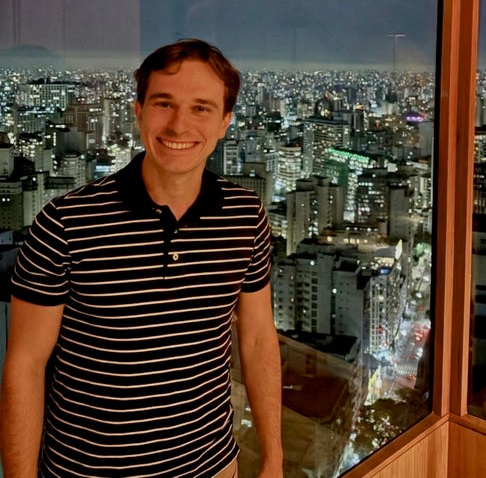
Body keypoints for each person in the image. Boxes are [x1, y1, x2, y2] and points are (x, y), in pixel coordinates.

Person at [0, 39, 284, 478]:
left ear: (225, 122)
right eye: (163, 104)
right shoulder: (65, 223)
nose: (178, 125)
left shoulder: (245, 216)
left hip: (211, 466)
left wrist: (273, 458)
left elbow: (259, 339)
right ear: (138, 111)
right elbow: (26, 366)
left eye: (201, 108)